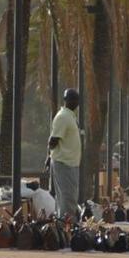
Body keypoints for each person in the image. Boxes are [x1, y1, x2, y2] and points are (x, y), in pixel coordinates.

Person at [48, 89, 82, 219]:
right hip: (64, 163)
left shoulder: (70, 116)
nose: (74, 102)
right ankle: (67, 229)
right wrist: (51, 156)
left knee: (68, 198)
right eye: (71, 99)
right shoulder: (63, 116)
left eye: (76, 100)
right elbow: (53, 140)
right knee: (68, 199)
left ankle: (65, 228)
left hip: (70, 163)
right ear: (66, 100)